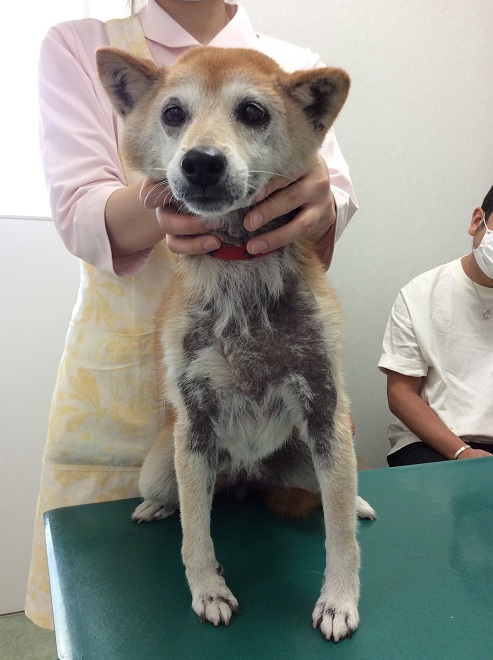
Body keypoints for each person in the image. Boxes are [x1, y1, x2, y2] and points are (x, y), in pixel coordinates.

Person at [26, 0, 358, 629]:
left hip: (275, 322)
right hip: (123, 376)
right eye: (174, 116)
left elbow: (329, 211)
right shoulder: (79, 44)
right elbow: (75, 211)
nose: (202, 146)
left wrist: (326, 201)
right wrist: (166, 205)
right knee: (121, 611)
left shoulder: (295, 66)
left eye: (251, 113)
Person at [378, 185, 493, 467]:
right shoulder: (420, 294)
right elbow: (400, 393)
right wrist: (462, 452)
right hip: (432, 444)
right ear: (477, 221)